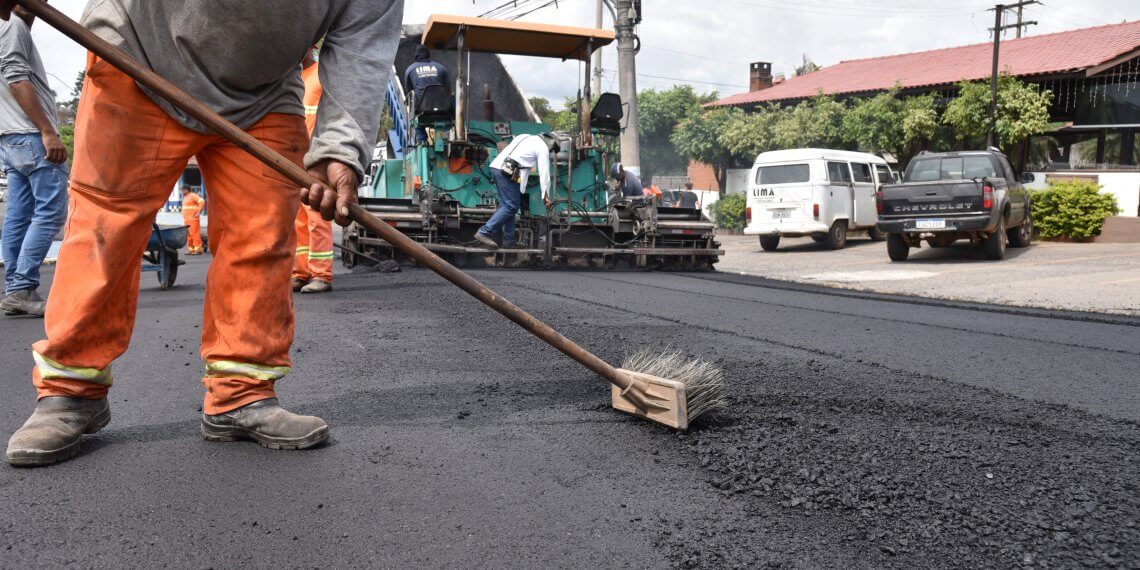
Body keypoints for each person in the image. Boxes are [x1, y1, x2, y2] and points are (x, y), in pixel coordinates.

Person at [2, 1, 403, 467]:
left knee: (263, 238)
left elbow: (361, 46)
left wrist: (341, 145)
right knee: (104, 228)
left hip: (263, 93)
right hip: (138, 57)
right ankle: (70, 391)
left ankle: (241, 393)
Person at [0, 2, 68, 319]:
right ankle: (21, 287)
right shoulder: (10, 26)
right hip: (30, 135)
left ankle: (16, 288)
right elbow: (16, 79)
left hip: (10, 137)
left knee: (18, 214)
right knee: (51, 212)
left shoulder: (12, 27)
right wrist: (48, 132)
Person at [292, 47, 335, 294]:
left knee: (317, 218)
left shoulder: (321, 74)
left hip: (316, 160)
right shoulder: (296, 78)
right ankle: (301, 272)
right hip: (297, 161)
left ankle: (321, 274)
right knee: (299, 220)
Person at [474, 133, 557, 250]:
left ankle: (509, 241)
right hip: (506, 172)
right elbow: (545, 174)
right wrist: (546, 196)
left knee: (508, 206)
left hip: (497, 168)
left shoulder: (523, 136)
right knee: (511, 206)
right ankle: (484, 232)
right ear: (550, 143)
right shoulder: (542, 147)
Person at [403, 45, 449, 143]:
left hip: (421, 109)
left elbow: (408, 90)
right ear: (428, 55)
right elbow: (448, 89)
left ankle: (422, 140)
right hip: (442, 107)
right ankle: (451, 132)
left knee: (413, 112)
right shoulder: (440, 68)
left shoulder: (410, 69)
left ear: (416, 56)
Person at [180, 185, 205, 255]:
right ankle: (191, 250)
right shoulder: (186, 197)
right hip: (187, 220)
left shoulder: (192, 195)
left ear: (186, 190)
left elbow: (202, 201)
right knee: (188, 235)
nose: (182, 191)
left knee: (194, 234)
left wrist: (198, 212)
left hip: (193, 219)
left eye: (183, 190)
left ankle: (198, 250)